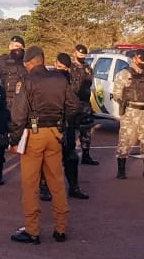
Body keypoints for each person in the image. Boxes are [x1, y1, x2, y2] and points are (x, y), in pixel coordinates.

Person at [9, 46, 78, 245]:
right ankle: (60, 229)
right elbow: (74, 106)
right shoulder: (60, 79)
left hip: (34, 135)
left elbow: (18, 115)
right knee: (57, 182)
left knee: (30, 185)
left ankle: (32, 231)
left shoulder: (26, 81)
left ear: (29, 63)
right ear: (43, 60)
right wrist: (62, 124)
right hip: (55, 134)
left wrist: (14, 140)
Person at [112, 49, 144, 180]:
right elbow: (117, 93)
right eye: (141, 61)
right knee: (125, 140)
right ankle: (121, 170)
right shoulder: (124, 74)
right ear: (134, 58)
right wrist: (124, 104)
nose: (143, 64)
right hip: (130, 110)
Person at [0, 35, 28, 185]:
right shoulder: (1, 62)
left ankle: (33, 176)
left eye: (19, 48)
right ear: (9, 47)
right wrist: (2, 95)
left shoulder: (27, 62)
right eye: (13, 47)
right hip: (4, 107)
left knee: (27, 142)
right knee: (0, 142)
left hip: (22, 107)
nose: (16, 50)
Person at [48, 53, 89, 200]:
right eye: (59, 67)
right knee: (49, 158)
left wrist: (70, 117)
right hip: (51, 124)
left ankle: (74, 187)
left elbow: (76, 104)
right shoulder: (48, 79)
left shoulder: (72, 80)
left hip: (67, 124)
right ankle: (45, 188)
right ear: (55, 64)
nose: (61, 70)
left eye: (65, 68)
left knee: (71, 157)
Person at [72, 45, 100, 166]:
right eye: (80, 54)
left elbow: (90, 84)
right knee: (70, 131)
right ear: (74, 53)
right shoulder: (69, 68)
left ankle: (86, 156)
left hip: (85, 104)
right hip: (72, 104)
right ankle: (68, 156)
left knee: (86, 131)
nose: (82, 57)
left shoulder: (88, 68)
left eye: (84, 55)